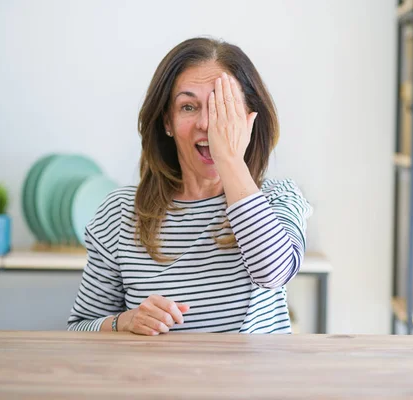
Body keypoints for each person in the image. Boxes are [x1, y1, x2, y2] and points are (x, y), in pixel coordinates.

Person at [67, 37, 312, 335]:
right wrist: (124, 322)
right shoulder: (118, 212)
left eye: (224, 107)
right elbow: (79, 330)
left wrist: (231, 160)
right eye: (188, 107)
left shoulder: (278, 197)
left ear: (248, 119)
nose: (207, 123)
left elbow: (273, 272)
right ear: (167, 121)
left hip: (252, 381)